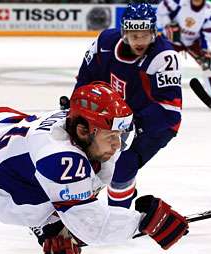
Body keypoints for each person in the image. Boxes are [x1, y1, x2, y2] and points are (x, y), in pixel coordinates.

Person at [0, 31, 189, 254]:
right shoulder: (60, 157)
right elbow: (92, 228)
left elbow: (62, 194)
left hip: (6, 126)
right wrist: (145, 224)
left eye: (120, 134)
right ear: (83, 130)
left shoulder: (84, 135)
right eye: (111, 135)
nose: (118, 144)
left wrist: (50, 229)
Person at [75, 2, 182, 209]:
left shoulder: (164, 57)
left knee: (123, 166)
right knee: (86, 159)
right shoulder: (104, 43)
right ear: (124, 33)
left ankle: (118, 219)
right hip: (116, 115)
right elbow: (85, 81)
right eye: (134, 35)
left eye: (145, 35)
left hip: (155, 124)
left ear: (154, 33)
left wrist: (131, 123)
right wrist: (77, 110)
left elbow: (170, 112)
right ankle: (79, 212)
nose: (140, 41)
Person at [157, 0, 211, 100]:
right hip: (171, 39)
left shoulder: (209, 10)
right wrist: (168, 25)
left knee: (208, 66)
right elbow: (160, 13)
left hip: (194, 42)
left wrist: (205, 50)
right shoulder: (177, 1)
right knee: (158, 62)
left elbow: (207, 33)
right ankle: (157, 93)